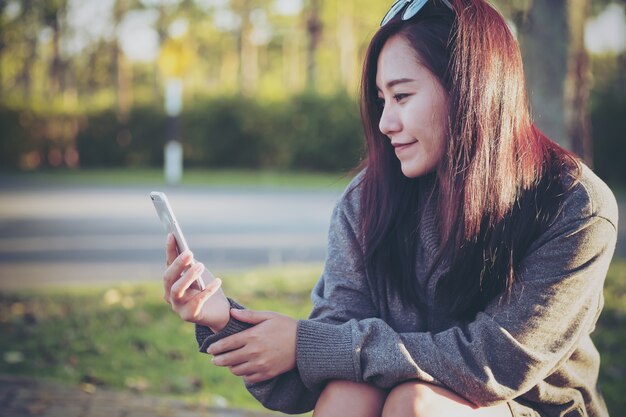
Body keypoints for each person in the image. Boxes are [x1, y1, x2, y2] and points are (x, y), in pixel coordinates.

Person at [161, 0, 618, 415]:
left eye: (402, 96)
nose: (384, 123)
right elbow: (319, 369)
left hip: (525, 407)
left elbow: (492, 364)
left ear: (470, 90)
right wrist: (221, 317)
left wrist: (309, 345)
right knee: (347, 393)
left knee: (414, 403)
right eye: (382, 101)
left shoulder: (575, 207)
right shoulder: (366, 200)